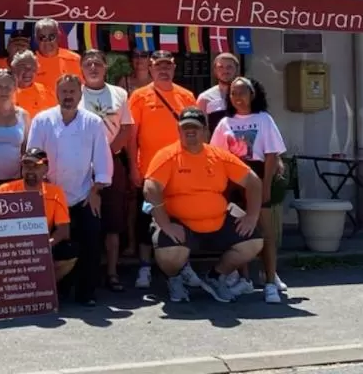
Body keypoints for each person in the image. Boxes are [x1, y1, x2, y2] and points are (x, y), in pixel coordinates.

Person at [144, 107, 265, 304]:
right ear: (179, 131)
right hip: (181, 224)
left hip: (217, 222)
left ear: (206, 132)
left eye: (195, 128)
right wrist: (165, 224)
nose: (190, 132)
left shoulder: (219, 156)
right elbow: (150, 188)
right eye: (185, 128)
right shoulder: (167, 155)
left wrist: (251, 216)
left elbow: (253, 182)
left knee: (254, 242)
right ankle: (174, 278)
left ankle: (216, 276)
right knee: (169, 251)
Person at [27, 74, 113, 306]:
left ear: (80, 94)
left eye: (72, 92)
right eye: (64, 92)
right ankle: (57, 290)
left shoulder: (93, 122)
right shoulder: (42, 120)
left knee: (91, 241)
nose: (68, 96)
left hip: (83, 195)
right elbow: (33, 159)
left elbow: (103, 162)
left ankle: (87, 293)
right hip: (51, 198)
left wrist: (96, 191)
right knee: (55, 245)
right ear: (56, 93)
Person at [210, 76, 288, 303]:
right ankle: (244, 279)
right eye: (233, 93)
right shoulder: (225, 123)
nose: (237, 97)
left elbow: (272, 155)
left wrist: (265, 186)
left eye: (242, 92)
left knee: (265, 232)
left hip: (259, 175)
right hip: (234, 181)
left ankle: (270, 280)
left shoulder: (264, 119)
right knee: (240, 233)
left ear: (252, 95)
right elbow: (217, 157)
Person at [127, 49, 199, 290]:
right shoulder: (138, 96)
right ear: (150, 68)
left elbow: (198, 136)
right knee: (147, 221)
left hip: (181, 172)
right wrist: (134, 169)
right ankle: (145, 267)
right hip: (150, 171)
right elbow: (131, 136)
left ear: (174, 68)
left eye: (168, 65)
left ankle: (184, 265)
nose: (163, 69)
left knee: (182, 219)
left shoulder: (187, 96)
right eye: (158, 65)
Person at [77, 50, 135, 293]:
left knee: (112, 220)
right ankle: (84, 273)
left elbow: (126, 128)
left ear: (105, 68)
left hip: (112, 162)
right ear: (81, 69)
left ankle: (112, 272)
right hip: (81, 165)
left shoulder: (119, 94)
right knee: (84, 220)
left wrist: (106, 154)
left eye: (97, 63)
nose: (93, 67)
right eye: (88, 64)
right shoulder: (74, 93)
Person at [0, 149, 78, 283]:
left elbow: (63, 231)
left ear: (46, 169)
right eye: (26, 166)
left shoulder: (56, 192)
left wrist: (46, 245)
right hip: (10, 246)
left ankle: (44, 285)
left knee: (69, 251)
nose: (30, 171)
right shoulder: (5, 190)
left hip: (43, 244)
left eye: (36, 167)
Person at [197, 53, 241, 132]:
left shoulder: (247, 95)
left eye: (229, 67)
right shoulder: (205, 98)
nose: (225, 71)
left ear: (237, 69)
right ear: (215, 70)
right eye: (221, 67)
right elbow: (201, 130)